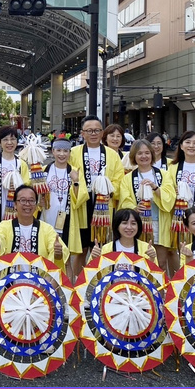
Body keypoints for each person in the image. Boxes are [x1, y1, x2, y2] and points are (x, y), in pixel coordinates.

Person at [69, 116, 127, 277]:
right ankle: (77, 285)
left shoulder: (112, 155)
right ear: (82, 133)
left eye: (96, 130)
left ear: (102, 133)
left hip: (103, 206)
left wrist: (106, 188)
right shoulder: (73, 153)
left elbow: (119, 180)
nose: (93, 134)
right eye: (89, 131)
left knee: (102, 248)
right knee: (81, 250)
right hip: (82, 204)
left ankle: (100, 284)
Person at [159, 130, 195, 277]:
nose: (191, 146)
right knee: (181, 253)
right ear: (181, 146)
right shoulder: (172, 168)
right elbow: (167, 195)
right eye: (188, 142)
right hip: (178, 219)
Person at [119, 139, 174, 267]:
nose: (144, 156)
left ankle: (161, 286)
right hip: (139, 223)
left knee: (160, 262)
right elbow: (124, 201)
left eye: (147, 153)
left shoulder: (164, 174)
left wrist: (155, 188)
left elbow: (170, 198)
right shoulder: (128, 178)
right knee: (139, 261)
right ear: (134, 156)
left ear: (152, 154)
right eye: (139, 153)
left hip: (160, 222)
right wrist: (134, 208)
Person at [0, 185, 70, 270]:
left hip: (39, 282)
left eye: (31, 200)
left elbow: (59, 250)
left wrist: (58, 254)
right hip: (10, 281)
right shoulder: (4, 226)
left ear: (36, 204)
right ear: (15, 204)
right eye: (23, 200)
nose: (27, 204)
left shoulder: (47, 229)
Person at [42, 135, 86, 278]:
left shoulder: (75, 172)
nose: (62, 154)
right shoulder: (44, 170)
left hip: (66, 220)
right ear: (53, 151)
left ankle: (69, 295)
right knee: (43, 258)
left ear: (70, 153)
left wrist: (76, 182)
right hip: (46, 218)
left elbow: (81, 198)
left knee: (65, 260)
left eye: (65, 151)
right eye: (58, 150)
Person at [0, 126, 31, 241]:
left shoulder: (21, 164)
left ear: (17, 141)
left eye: (12, 139)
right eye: (5, 140)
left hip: (15, 210)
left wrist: (19, 186)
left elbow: (28, 188)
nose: (9, 143)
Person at [90, 208, 158, 264]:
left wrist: (151, 260)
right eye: (124, 223)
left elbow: (153, 278)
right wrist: (95, 259)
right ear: (117, 226)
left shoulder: (147, 249)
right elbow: (96, 278)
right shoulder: (106, 249)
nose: (129, 227)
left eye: (133, 223)